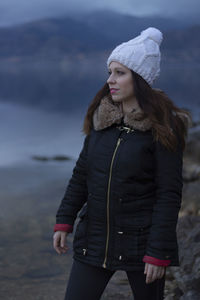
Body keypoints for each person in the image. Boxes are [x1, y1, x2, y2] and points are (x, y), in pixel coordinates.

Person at [53, 27, 191, 300]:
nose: (110, 81)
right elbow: (81, 175)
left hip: (141, 246)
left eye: (120, 73)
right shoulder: (100, 120)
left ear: (139, 79)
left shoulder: (164, 128)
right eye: (109, 72)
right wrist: (63, 221)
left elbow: (168, 194)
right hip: (94, 238)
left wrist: (157, 252)